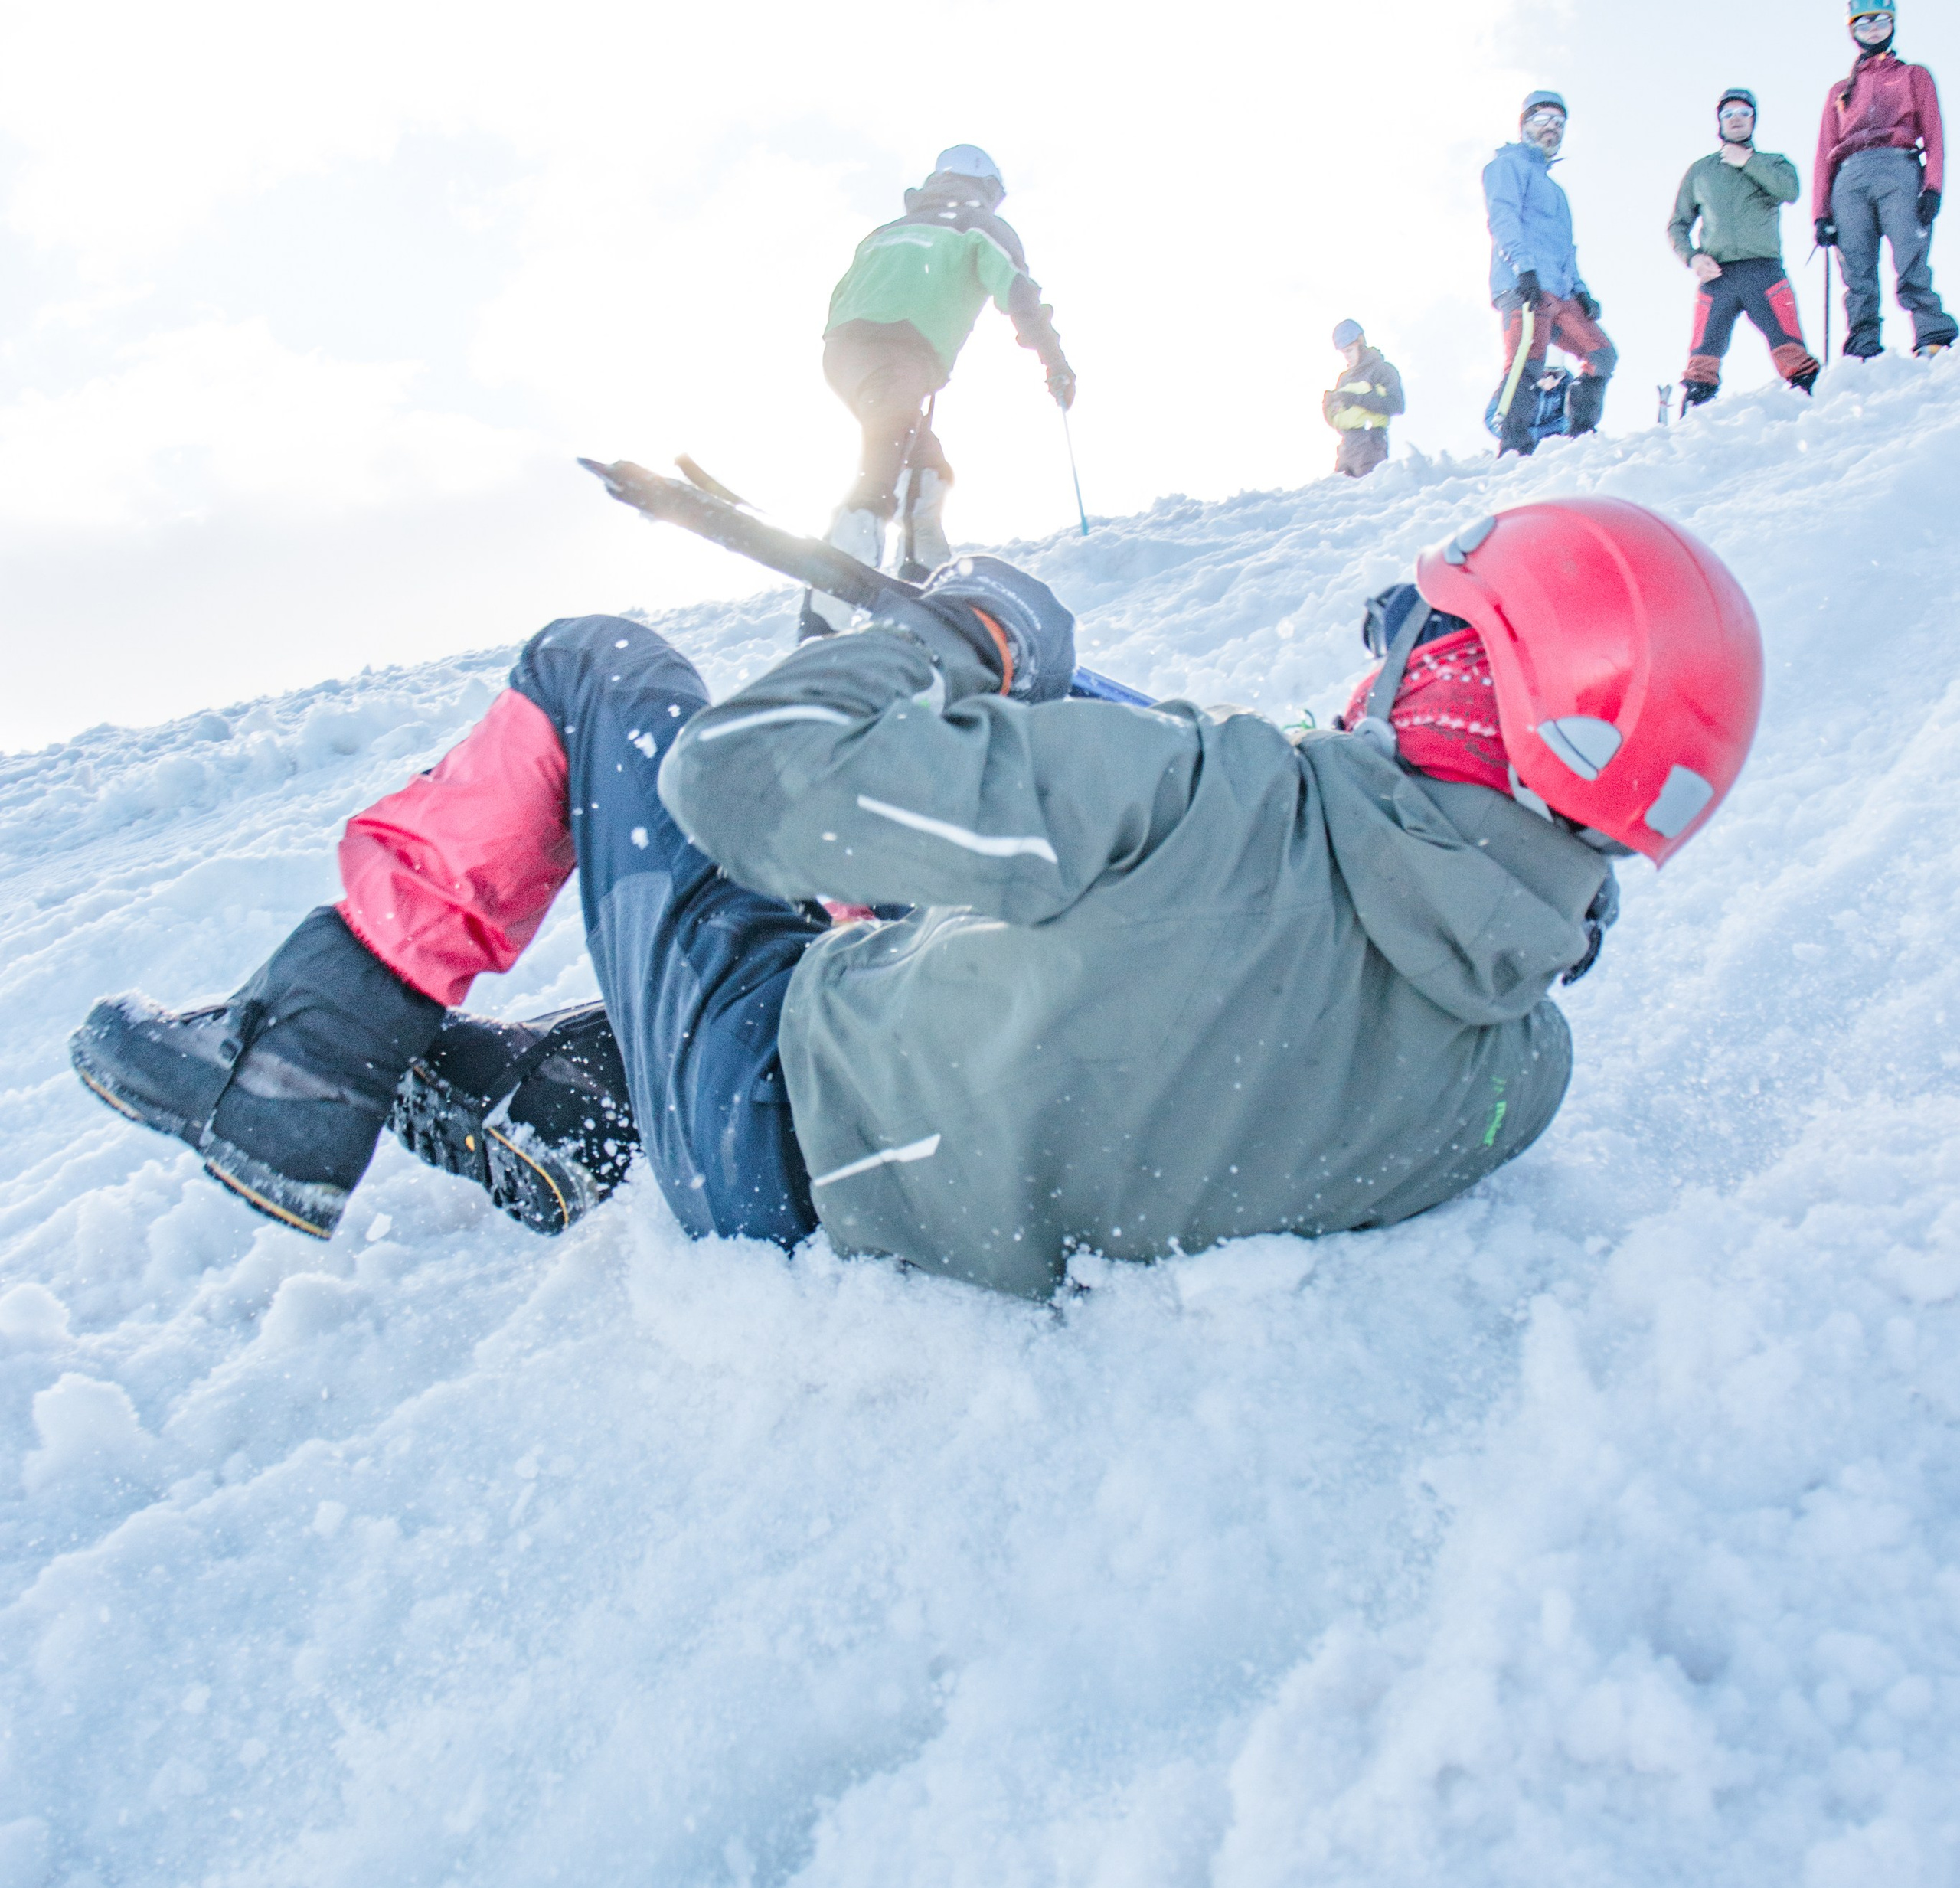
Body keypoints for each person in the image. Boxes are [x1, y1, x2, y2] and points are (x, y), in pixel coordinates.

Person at [70, 502, 1762, 1303]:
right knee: (886, 918)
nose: (1378, 661)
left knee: (600, 673)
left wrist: (970, 643)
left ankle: (300, 1058)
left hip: (766, 1112)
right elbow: (1205, 998)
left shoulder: (1213, 791)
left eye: (1418, 637)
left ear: (1469, 685)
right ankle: (559, 1107)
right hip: (911, 1185)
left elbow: (731, 780)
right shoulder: (1514, 1079)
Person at [806, 145, 1074, 626]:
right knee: (889, 452)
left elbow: (842, 296)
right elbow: (1018, 293)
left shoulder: (885, 232)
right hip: (901, 351)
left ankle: (920, 570)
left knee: (925, 467)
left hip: (844, 354)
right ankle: (833, 595)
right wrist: (1054, 360)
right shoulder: (979, 226)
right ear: (989, 189)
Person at [1812, 0, 1955, 360]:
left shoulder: (1913, 76)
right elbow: (1824, 156)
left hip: (1899, 168)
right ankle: (1862, 346)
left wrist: (1933, 186)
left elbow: (1935, 133)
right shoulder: (1839, 92)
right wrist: (1821, 214)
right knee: (1856, 268)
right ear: (1852, 30)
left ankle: (1932, 333)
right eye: (1863, 22)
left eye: (1880, 20)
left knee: (1910, 256)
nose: (1873, 28)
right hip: (1850, 179)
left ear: (1892, 24)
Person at [1484, 91, 1617, 455]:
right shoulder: (1506, 166)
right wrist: (1523, 268)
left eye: (1559, 124)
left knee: (1602, 355)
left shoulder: (1556, 191)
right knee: (1529, 362)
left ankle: (1580, 437)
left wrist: (1580, 290)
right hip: (1525, 286)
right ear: (1525, 124)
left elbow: (1565, 250)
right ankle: (1514, 446)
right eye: (1543, 120)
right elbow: (1503, 219)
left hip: (1561, 293)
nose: (1552, 129)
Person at [1668, 88, 1818, 407]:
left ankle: (1810, 416)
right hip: (1716, 279)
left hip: (1763, 273)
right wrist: (1692, 257)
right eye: (1728, 114)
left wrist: (1748, 161)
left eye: (1743, 113)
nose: (1736, 119)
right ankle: (1691, 430)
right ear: (1719, 123)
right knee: (1701, 365)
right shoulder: (1701, 171)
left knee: (1792, 352)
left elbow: (1789, 191)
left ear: (1754, 120)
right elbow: (1677, 225)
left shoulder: (1774, 163)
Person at [1321, 320, 1405, 478]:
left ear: (1360, 342)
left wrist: (1355, 399)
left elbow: (1396, 405)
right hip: (1346, 448)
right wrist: (1328, 407)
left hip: (1370, 444)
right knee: (1342, 498)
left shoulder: (1383, 370)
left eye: (1350, 350)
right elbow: (1339, 419)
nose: (1347, 357)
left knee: (1368, 495)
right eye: (1344, 353)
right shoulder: (1344, 379)